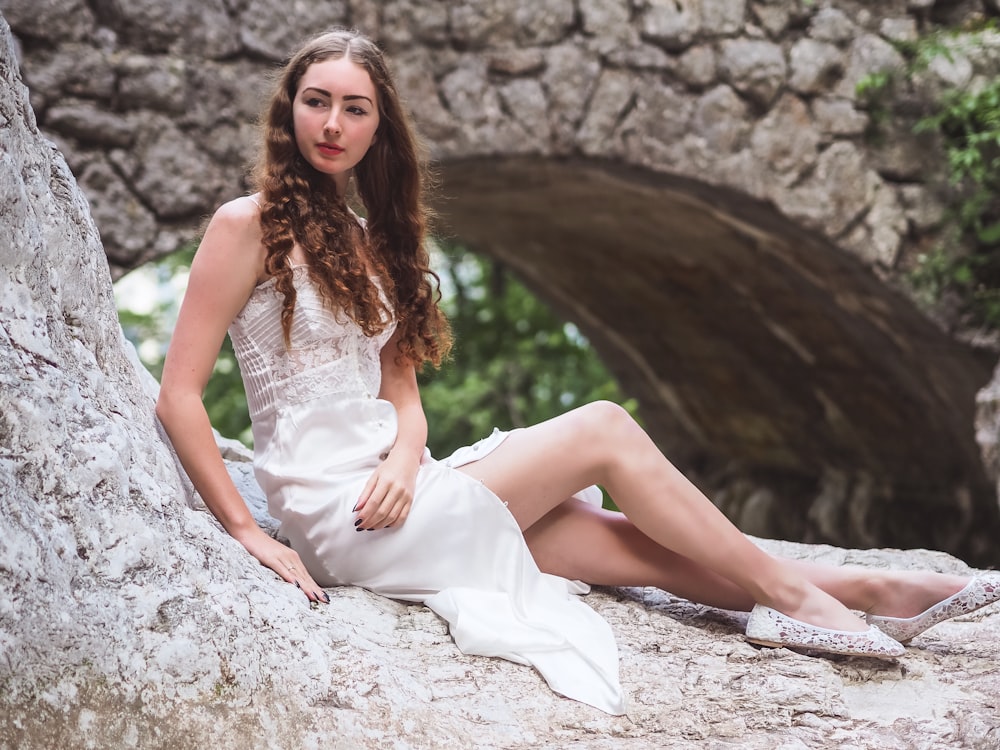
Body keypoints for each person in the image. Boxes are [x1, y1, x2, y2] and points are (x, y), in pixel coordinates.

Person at [155, 28, 1000, 714]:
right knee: (602, 426)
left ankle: (869, 586)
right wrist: (248, 531)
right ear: (289, 110)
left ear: (379, 127)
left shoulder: (375, 243)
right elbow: (179, 395)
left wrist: (408, 458)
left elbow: (401, 398)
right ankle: (807, 604)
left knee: (627, 549)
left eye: (354, 108)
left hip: (402, 491)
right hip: (335, 516)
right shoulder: (247, 226)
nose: (332, 124)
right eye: (316, 103)